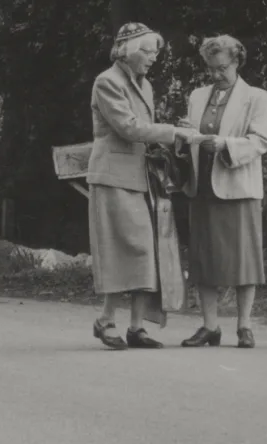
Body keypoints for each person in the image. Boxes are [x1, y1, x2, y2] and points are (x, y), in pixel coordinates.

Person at [86, 24, 200, 350]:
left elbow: (145, 132)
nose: (153, 59)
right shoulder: (107, 82)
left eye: (155, 53)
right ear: (129, 50)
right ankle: (106, 320)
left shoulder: (144, 85)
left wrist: (166, 142)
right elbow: (129, 127)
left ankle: (136, 328)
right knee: (117, 250)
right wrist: (173, 134)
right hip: (111, 177)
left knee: (146, 251)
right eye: (148, 52)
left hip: (140, 178)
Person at [178, 34, 267, 349]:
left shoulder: (256, 97)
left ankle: (244, 326)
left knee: (244, 260)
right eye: (211, 69)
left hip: (239, 187)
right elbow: (190, 136)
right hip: (203, 187)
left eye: (222, 68)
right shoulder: (197, 95)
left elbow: (260, 141)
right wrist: (184, 134)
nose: (216, 75)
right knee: (204, 260)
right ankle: (210, 326)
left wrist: (225, 145)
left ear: (236, 62)